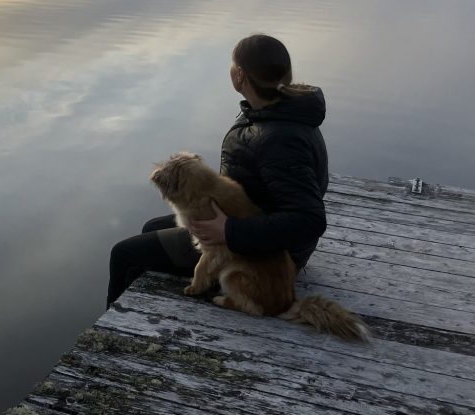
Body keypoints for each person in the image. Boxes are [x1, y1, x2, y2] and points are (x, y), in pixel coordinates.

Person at [106, 34, 329, 308]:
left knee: (124, 255)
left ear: (240, 75)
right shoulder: (273, 110)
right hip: (249, 227)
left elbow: (309, 220)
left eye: (232, 65)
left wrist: (229, 231)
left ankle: (115, 325)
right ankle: (158, 296)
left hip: (261, 254)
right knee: (151, 228)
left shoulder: (280, 140)